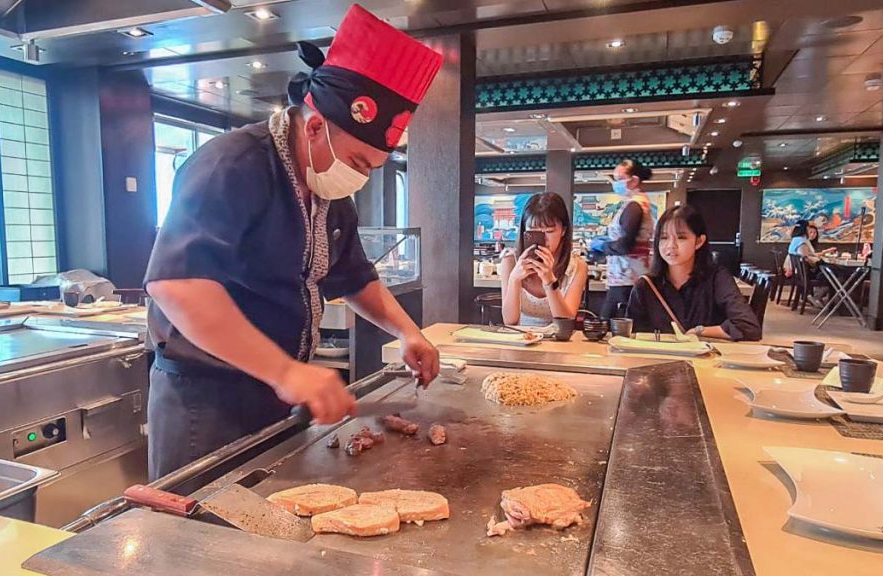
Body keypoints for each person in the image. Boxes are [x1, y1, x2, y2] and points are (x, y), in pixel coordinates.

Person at [143, 5, 443, 480]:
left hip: (278, 393)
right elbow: (178, 285)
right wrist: (284, 372)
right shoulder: (233, 164)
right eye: (359, 162)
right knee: (199, 537)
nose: (361, 178)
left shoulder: (329, 188)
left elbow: (355, 278)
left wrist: (408, 332)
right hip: (207, 400)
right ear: (316, 126)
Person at [627, 205, 761, 341]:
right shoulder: (645, 286)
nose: (671, 245)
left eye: (681, 237)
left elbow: (748, 327)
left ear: (699, 241)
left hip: (708, 360)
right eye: (664, 237)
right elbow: (632, 336)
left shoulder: (716, 278)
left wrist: (699, 331)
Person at [498, 193, 588, 325]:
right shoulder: (510, 261)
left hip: (558, 340)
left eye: (549, 231)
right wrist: (514, 279)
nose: (543, 239)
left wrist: (550, 282)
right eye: (533, 232)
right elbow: (509, 321)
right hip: (521, 339)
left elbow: (566, 322)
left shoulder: (577, 266)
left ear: (563, 230)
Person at [588, 159, 656, 319]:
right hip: (628, 277)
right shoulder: (640, 203)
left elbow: (625, 245)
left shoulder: (635, 206)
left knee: (610, 325)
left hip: (627, 278)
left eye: (619, 179)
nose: (616, 183)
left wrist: (602, 245)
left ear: (634, 180)